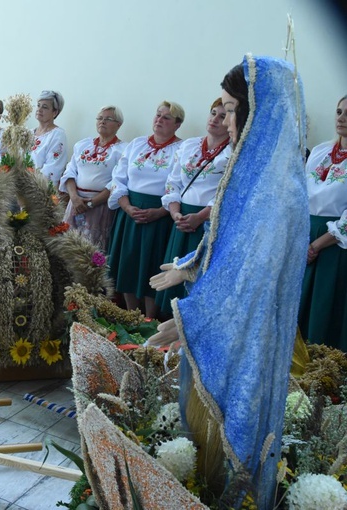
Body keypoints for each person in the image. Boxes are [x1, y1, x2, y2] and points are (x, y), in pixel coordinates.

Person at [149, 55, 308, 509]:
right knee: (201, 445)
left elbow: (251, 279)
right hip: (223, 326)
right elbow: (228, 245)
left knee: (223, 449)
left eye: (233, 108)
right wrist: (189, 265)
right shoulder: (255, 173)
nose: (226, 120)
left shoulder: (278, 192)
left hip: (242, 341)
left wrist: (192, 320)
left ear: (259, 111)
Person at [107, 101, 185, 318]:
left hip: (160, 216)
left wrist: (160, 211)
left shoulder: (182, 149)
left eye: (166, 118)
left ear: (177, 125)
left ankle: (150, 318)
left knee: (152, 265)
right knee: (128, 263)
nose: (159, 120)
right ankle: (132, 315)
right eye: (158, 115)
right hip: (130, 213)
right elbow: (118, 178)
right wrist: (127, 207)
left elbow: (178, 184)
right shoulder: (136, 144)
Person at [154, 98, 231, 313]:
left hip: (208, 223)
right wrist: (175, 212)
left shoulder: (232, 153)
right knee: (172, 275)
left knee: (197, 279)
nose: (215, 119)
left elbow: (227, 193)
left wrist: (201, 216)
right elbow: (173, 181)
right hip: (181, 220)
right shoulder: (189, 145)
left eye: (223, 116)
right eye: (213, 113)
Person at [298, 94, 347, 351]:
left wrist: (317, 246)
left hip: (335, 246)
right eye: (339, 112)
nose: (342, 118)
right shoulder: (319, 152)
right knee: (300, 307)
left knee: (326, 308)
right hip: (306, 236)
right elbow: (299, 196)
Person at [60, 105, 126, 251]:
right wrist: (74, 198)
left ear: (118, 125)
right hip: (76, 202)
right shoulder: (83, 145)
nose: (103, 122)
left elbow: (116, 182)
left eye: (108, 119)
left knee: (91, 251)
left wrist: (91, 203)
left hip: (99, 205)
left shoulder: (122, 150)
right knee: (67, 247)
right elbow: (70, 172)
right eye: (100, 118)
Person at [29, 90, 67, 189]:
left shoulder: (57, 134)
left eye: (45, 107)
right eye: (38, 105)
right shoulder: (28, 133)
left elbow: (52, 168)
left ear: (54, 112)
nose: (39, 109)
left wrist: (28, 183)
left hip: (39, 189)